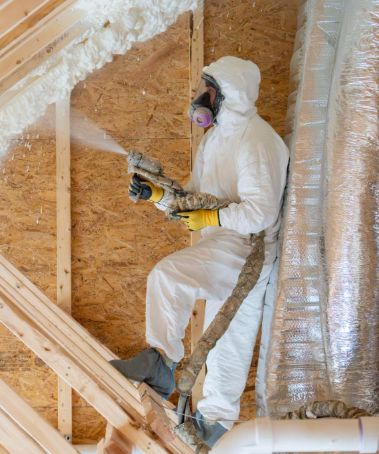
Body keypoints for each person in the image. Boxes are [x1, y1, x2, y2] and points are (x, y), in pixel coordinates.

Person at [117, 56, 289, 446]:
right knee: (224, 339)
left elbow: (261, 212)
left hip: (249, 251)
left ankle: (173, 378)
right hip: (222, 242)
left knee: (175, 284)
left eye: (209, 90)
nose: (201, 98)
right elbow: (196, 196)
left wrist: (211, 219)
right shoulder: (216, 140)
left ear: (230, 94)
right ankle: (198, 406)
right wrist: (157, 194)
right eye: (204, 88)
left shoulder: (257, 141)